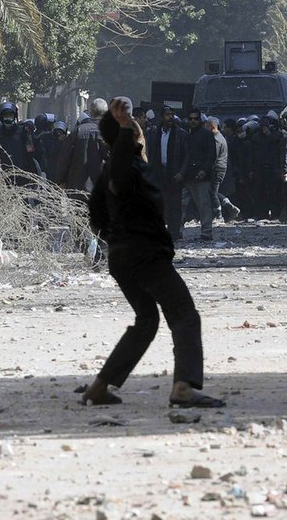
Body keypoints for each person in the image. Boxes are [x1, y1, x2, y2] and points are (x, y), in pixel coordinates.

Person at [81, 97, 224, 409]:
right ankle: (184, 388)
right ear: (131, 137)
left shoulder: (112, 174)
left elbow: (97, 220)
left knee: (147, 320)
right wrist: (123, 129)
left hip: (123, 257)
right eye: (138, 131)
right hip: (144, 255)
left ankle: (99, 387)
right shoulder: (124, 168)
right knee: (184, 315)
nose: (143, 134)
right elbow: (119, 172)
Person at [145, 106, 188, 240]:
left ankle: (174, 232)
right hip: (159, 173)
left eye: (171, 115)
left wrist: (182, 172)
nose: (170, 117)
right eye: (167, 115)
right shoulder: (155, 133)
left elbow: (186, 156)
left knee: (175, 204)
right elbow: (151, 153)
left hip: (174, 173)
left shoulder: (181, 134)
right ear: (161, 117)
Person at [56, 98, 109, 199]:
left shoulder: (77, 131)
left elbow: (64, 158)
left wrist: (60, 180)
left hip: (77, 190)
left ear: (90, 112)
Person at [178, 109, 217, 241]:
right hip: (188, 176)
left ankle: (206, 232)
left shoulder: (206, 135)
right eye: (191, 119)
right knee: (181, 204)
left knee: (203, 205)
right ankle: (177, 231)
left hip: (201, 176)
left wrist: (204, 170)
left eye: (195, 119)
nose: (193, 121)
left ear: (200, 120)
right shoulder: (187, 135)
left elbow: (211, 155)